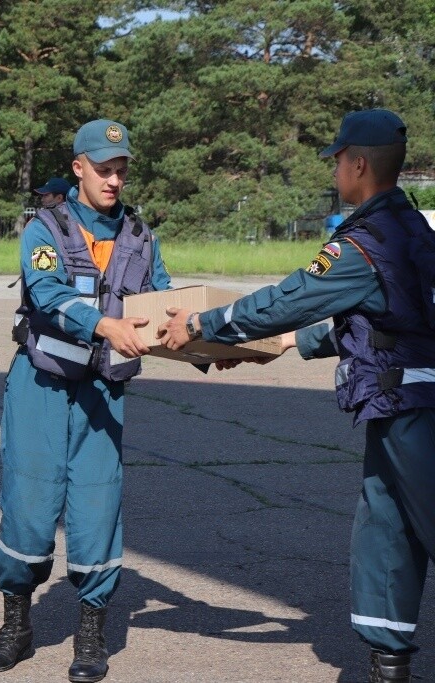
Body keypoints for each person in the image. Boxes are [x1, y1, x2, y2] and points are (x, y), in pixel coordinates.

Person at [157, 109, 435, 683]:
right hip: (394, 406)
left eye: (337, 158)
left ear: (358, 162)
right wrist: (284, 343)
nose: (334, 168)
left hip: (416, 410)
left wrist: (205, 326)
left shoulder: (363, 243)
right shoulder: (409, 230)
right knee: (386, 532)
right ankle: (389, 663)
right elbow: (378, 319)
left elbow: (293, 296)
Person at [0, 120, 170, 682]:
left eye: (121, 169)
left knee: (97, 508)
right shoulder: (46, 228)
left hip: (103, 392)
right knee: (29, 504)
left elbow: (163, 304)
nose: (114, 179)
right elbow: (47, 294)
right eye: (104, 168)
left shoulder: (140, 235)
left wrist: (207, 349)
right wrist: (106, 325)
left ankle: (91, 631)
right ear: (78, 168)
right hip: (41, 385)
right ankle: (17, 622)